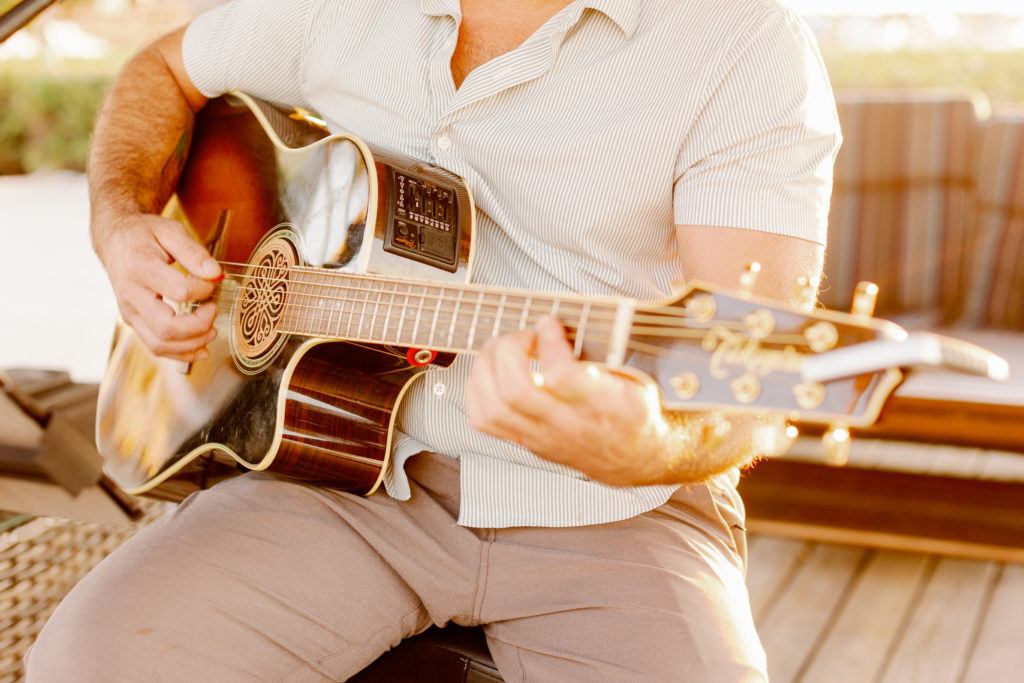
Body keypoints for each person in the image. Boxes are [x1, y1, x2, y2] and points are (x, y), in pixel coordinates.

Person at [27, 0, 840, 680]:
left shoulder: (742, 44)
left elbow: (749, 384)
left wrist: (646, 444)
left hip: (619, 508)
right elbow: (163, 71)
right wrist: (121, 222)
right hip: (336, 481)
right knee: (88, 659)